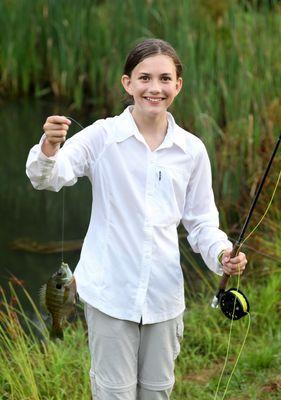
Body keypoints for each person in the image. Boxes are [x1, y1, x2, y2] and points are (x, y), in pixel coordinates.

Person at [26, 38, 247, 400]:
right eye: (144, 78)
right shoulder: (102, 136)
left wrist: (222, 253)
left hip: (163, 298)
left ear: (178, 85)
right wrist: (50, 147)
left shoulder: (192, 150)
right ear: (127, 83)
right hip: (110, 295)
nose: (154, 88)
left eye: (164, 78)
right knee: (114, 394)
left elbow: (202, 222)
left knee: (158, 392)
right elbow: (48, 177)